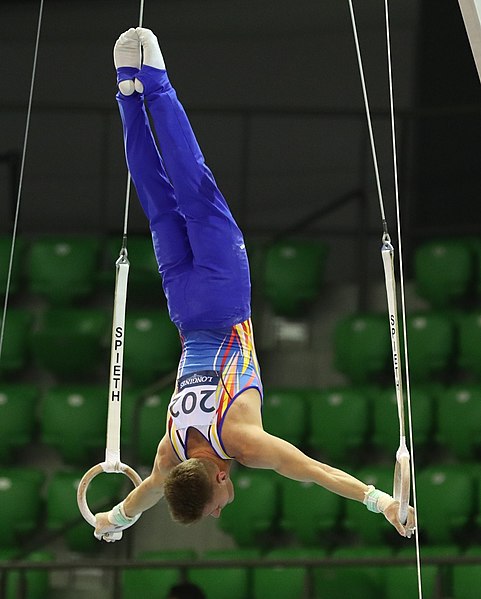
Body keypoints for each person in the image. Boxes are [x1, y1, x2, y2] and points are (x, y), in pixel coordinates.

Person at [94, 27, 416, 542]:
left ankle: (154, 80)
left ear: (220, 476)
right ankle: (130, 90)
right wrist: (114, 520)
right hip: (182, 303)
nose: (220, 511)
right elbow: (147, 490)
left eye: (214, 507)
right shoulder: (170, 453)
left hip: (222, 300)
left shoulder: (241, 442)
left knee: (195, 190)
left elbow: (316, 472)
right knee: (158, 203)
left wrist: (383, 504)